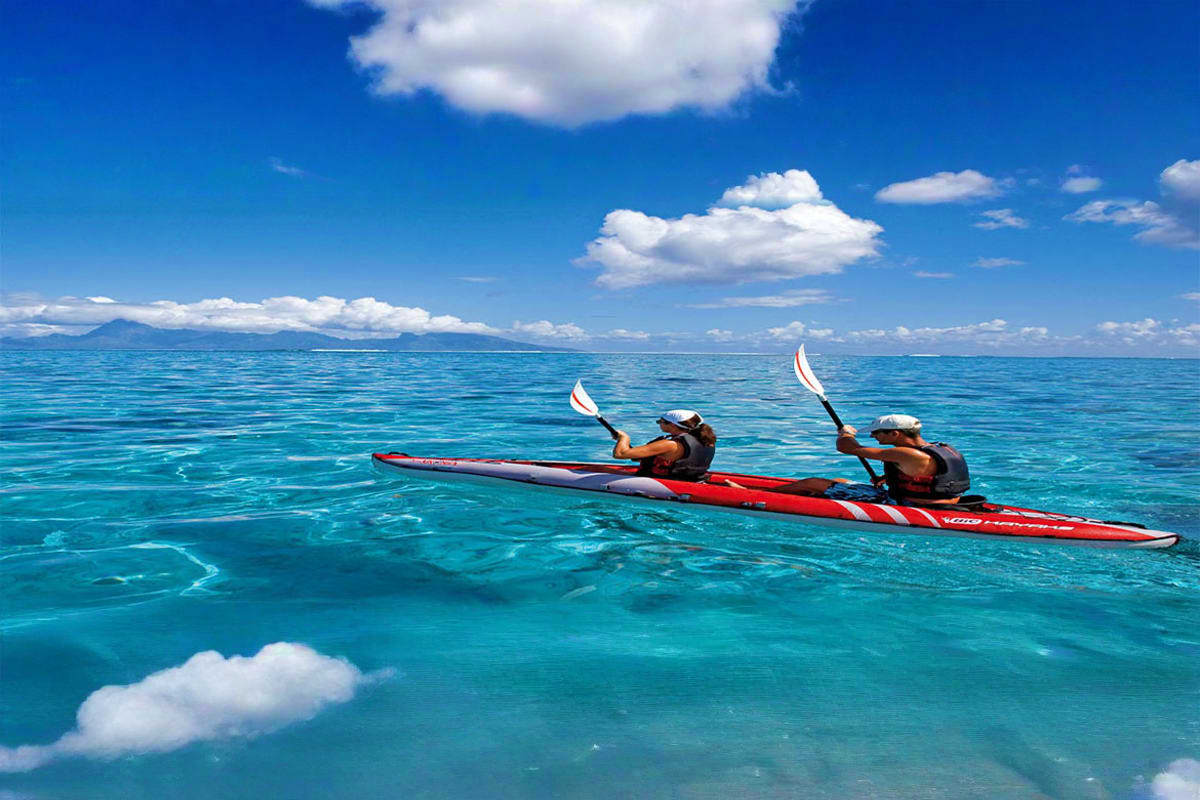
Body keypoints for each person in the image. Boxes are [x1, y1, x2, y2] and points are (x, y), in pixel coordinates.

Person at [774, 414, 970, 505]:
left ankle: (760, 495)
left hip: (910, 505)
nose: (873, 437)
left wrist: (846, 433)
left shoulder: (906, 453)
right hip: (947, 501)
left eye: (877, 433)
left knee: (812, 483)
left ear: (895, 433)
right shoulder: (941, 448)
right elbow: (928, 476)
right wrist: (889, 478)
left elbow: (846, 448)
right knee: (841, 482)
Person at [611, 409, 717, 482]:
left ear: (672, 425)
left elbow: (620, 454)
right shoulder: (707, 440)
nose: (659, 423)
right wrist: (622, 443)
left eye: (660, 421)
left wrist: (624, 438)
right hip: (693, 480)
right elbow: (639, 458)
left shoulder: (670, 444)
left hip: (665, 482)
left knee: (606, 472)